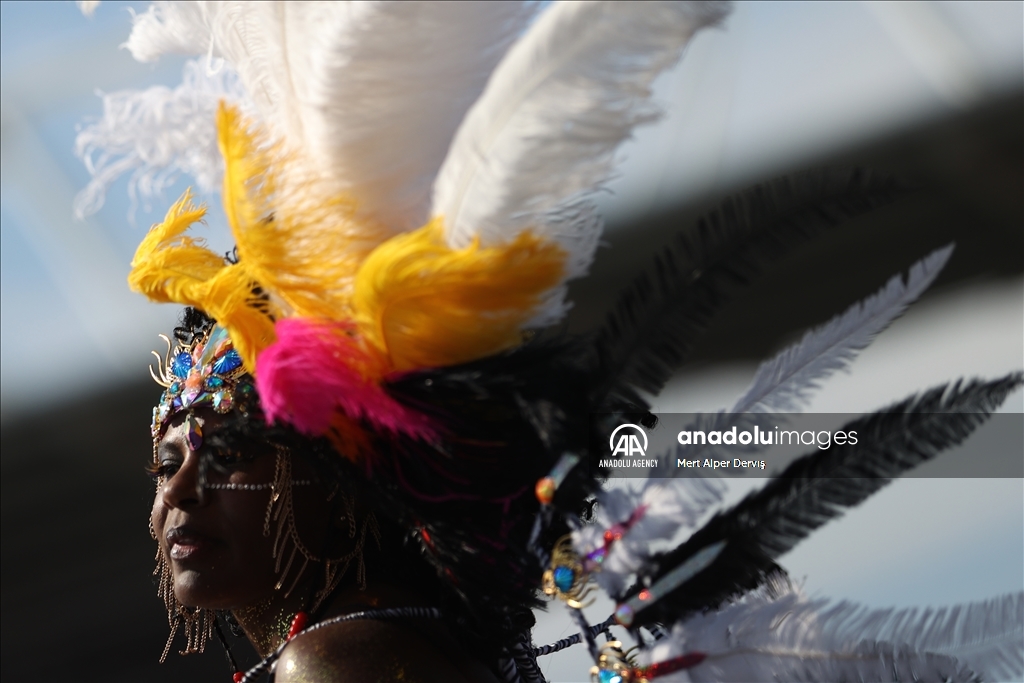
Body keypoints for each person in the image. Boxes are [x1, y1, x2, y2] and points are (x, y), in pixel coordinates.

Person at [79, 3, 1023, 682]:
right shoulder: (417, 644)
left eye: (234, 451)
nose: (177, 494)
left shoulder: (335, 662)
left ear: (349, 481)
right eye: (166, 459)